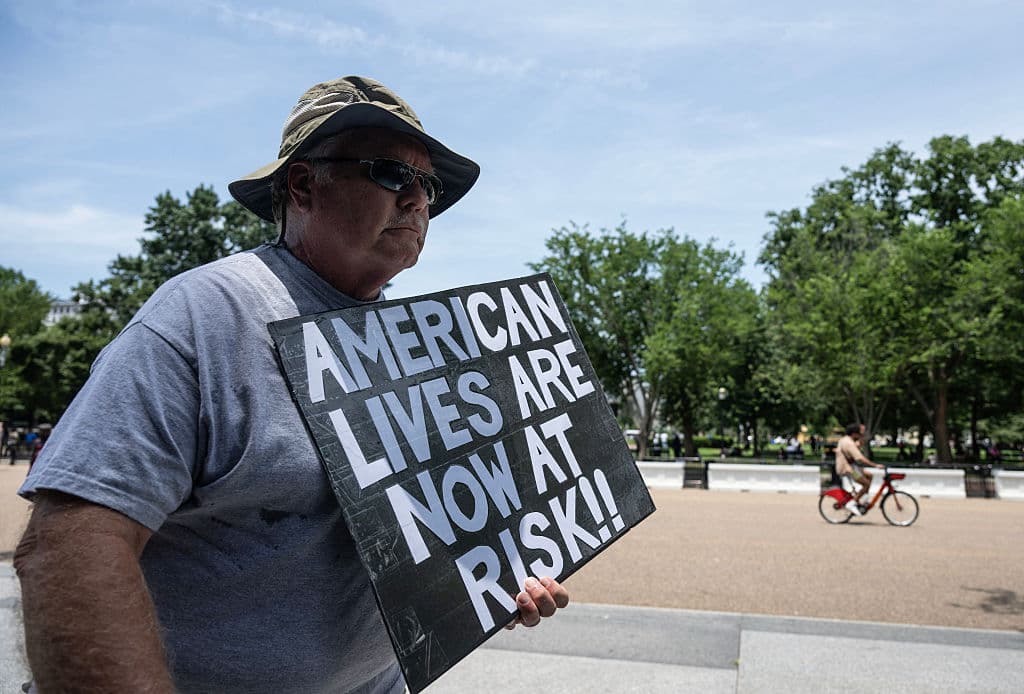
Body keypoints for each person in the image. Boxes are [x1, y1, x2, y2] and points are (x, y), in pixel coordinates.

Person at [15, 75, 569, 694]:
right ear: (304, 186)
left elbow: (419, 522)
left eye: (429, 185)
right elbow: (69, 545)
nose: (418, 200)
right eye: (391, 173)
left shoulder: (419, 342)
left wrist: (491, 569)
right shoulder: (205, 317)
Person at [834, 422, 884, 515]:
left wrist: (862, 437)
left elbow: (857, 445)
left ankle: (863, 499)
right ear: (854, 434)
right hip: (848, 470)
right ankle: (852, 503)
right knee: (866, 484)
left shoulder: (846, 439)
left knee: (869, 475)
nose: (860, 434)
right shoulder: (849, 443)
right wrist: (875, 465)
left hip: (852, 467)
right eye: (859, 433)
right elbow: (860, 458)